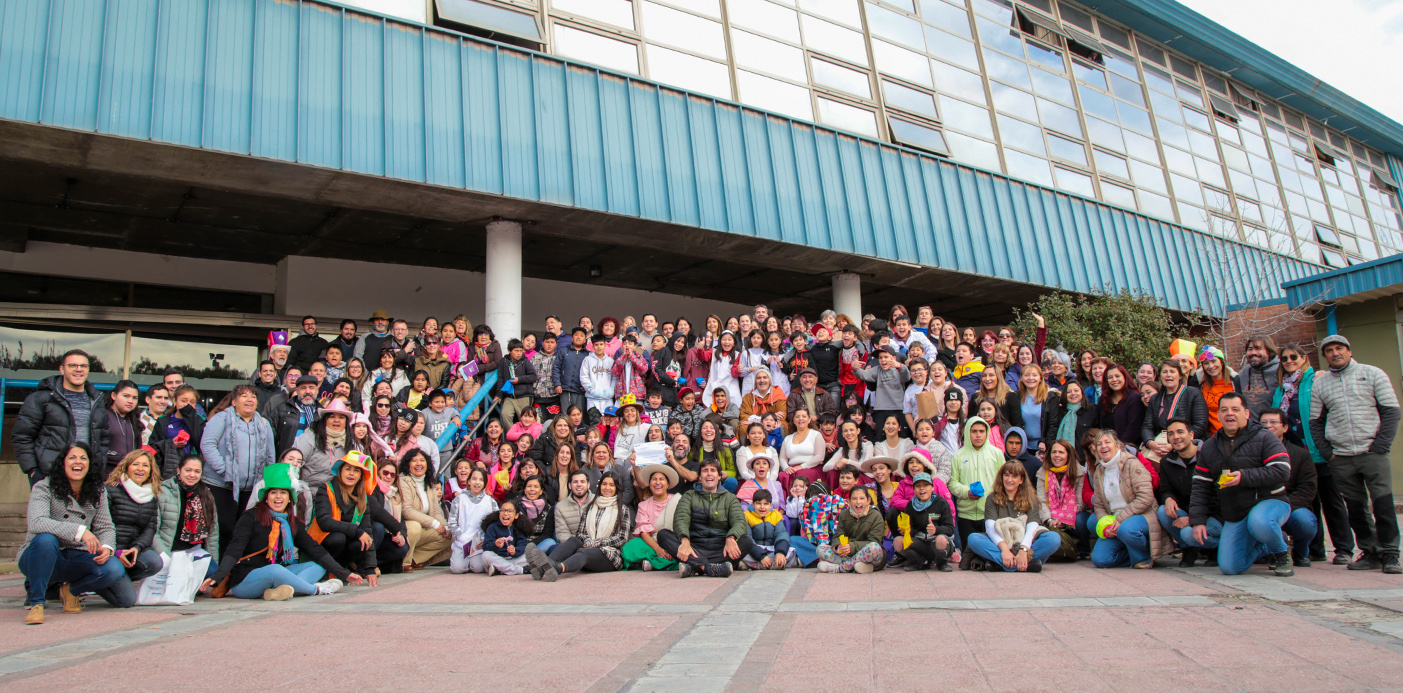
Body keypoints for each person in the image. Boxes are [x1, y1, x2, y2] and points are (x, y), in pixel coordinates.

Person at [1309, 335, 1402, 573]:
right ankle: (1369, 551)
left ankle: (1390, 553)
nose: (1335, 353)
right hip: (1341, 456)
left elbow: (1391, 411)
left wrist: (1381, 445)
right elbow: (1316, 422)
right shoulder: (1320, 384)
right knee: (1356, 508)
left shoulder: (1373, 374)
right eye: (1329, 350)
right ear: (1325, 355)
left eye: (1339, 348)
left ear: (1349, 351)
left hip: (1372, 451)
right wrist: (1329, 453)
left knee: (1382, 504)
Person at [201, 463, 361, 600]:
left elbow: (316, 550)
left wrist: (343, 573)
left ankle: (280, 592)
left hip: (277, 575)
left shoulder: (291, 521)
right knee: (275, 570)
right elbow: (233, 551)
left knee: (317, 566)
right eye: (273, 492)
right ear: (266, 497)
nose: (278, 497)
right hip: (245, 580)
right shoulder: (250, 517)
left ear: (290, 498)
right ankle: (315, 589)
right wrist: (218, 576)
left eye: (283, 492)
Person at [18, 443, 129, 624]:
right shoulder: (44, 487)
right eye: (72, 457)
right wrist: (80, 531)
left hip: (77, 555)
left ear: (89, 464)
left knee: (114, 568)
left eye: (83, 458)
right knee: (46, 539)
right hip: (40, 556)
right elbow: (37, 522)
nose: (78, 462)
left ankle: (71, 591)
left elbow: (105, 526)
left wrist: (107, 548)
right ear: (62, 463)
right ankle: (37, 602)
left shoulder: (97, 491)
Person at [1188, 393, 1294, 576]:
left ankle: (1280, 551)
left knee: (1260, 521)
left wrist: (1244, 477)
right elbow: (1200, 486)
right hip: (1236, 511)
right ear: (1218, 416)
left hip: (1270, 502)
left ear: (1246, 413)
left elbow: (1282, 470)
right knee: (1230, 567)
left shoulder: (1265, 437)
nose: (1230, 414)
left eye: (1235, 409)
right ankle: (1265, 546)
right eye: (1224, 410)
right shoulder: (1210, 446)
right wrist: (1198, 521)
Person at [1273, 345, 1354, 565]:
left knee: (1332, 501)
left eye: (1293, 357)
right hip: (1294, 454)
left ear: (1303, 358)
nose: (1289, 360)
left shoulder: (1316, 380)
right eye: (1284, 358)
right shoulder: (1281, 388)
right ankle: (1315, 549)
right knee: (1309, 502)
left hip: (1318, 451)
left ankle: (1344, 548)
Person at [13, 350, 111, 486]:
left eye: (83, 366)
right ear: (62, 369)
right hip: (50, 475)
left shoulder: (97, 400)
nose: (79, 369)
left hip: (87, 476)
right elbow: (22, 436)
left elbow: (104, 438)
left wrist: (99, 466)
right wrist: (33, 471)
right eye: (73, 365)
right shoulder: (41, 398)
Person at [200, 384, 276, 553]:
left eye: (253, 396)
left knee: (245, 530)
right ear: (234, 401)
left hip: (251, 488)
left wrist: (267, 481)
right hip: (221, 485)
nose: (250, 399)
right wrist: (224, 470)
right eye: (244, 396)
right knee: (224, 529)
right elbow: (207, 445)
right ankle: (219, 571)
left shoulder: (263, 423)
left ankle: (238, 568)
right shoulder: (221, 418)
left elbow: (270, 455)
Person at [527, 472, 633, 581]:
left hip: (610, 555)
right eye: (604, 484)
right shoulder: (591, 506)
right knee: (573, 540)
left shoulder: (622, 509)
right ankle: (545, 566)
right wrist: (587, 540)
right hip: (589, 548)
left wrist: (596, 542)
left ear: (617, 488)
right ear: (599, 486)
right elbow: (580, 533)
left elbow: (621, 538)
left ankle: (558, 568)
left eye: (611, 485)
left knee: (583, 552)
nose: (607, 488)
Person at [657, 459, 751, 578]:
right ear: (700, 477)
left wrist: (731, 538)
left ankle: (694, 567)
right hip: (693, 548)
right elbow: (681, 519)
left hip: (721, 549)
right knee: (663, 535)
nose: (709, 474)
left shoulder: (730, 498)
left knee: (746, 541)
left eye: (713, 470)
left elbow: (739, 522)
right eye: (705, 471)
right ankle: (709, 568)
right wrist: (685, 541)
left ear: (719, 476)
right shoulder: (689, 495)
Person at [1088, 430, 1163, 569]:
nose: (1103, 446)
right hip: (1115, 518)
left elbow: (1146, 497)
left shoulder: (1132, 464)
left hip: (1142, 515)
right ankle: (1130, 553)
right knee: (1100, 560)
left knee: (1126, 529)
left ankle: (1143, 558)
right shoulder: (1099, 470)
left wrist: (1120, 519)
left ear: (1118, 445)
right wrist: (1106, 525)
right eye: (1099, 444)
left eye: (1107, 442)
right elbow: (1098, 504)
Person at [966, 462, 1061, 572]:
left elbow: (1032, 528)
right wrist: (1005, 550)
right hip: (1001, 542)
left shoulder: (1031, 499)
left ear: (1021, 480)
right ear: (1001, 477)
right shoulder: (992, 498)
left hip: (1024, 542)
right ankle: (1028, 565)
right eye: (1006, 475)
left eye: (1014, 476)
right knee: (973, 539)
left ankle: (1002, 565)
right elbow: (990, 528)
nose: (1009, 480)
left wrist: (1023, 550)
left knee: (1053, 538)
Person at [103, 449, 163, 606]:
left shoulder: (152, 495)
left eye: (145, 465)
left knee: (154, 562)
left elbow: (150, 528)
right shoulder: (111, 490)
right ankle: (99, 581)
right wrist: (116, 551)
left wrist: (137, 548)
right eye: (135, 464)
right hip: (111, 551)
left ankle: (118, 578)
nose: (140, 469)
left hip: (131, 551)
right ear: (126, 467)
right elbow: (101, 526)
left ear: (151, 470)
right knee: (127, 601)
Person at [1261, 408, 1319, 568]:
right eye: (1263, 423)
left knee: (1305, 522)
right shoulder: (1252, 453)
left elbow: (1307, 489)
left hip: (1292, 507)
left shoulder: (1301, 455)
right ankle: (1271, 552)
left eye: (1273, 422)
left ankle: (1301, 553)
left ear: (1285, 427)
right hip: (1262, 508)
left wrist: (1283, 508)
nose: (1268, 426)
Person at [308, 451, 379, 579]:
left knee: (360, 543)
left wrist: (370, 568)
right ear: (340, 471)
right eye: (348, 469)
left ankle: (340, 572)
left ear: (360, 476)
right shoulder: (325, 489)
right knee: (338, 538)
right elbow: (325, 522)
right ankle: (324, 572)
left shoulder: (363, 498)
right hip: (321, 544)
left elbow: (367, 532)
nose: (351, 473)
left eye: (356, 470)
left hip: (342, 547)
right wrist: (357, 531)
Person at [153, 453, 221, 568]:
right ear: (178, 470)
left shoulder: (206, 494)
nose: (192, 475)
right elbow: (153, 530)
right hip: (168, 549)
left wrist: (214, 560)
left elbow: (213, 532)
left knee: (212, 569)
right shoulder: (162, 492)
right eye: (188, 470)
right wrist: (165, 556)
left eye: (197, 471)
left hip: (193, 550)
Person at [949, 417, 1003, 558]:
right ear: (967, 432)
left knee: (989, 553)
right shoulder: (958, 455)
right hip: (966, 513)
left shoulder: (996, 454)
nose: (978, 435)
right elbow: (952, 483)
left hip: (991, 513)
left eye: (981, 431)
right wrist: (967, 492)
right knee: (969, 555)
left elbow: (1003, 481)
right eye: (974, 431)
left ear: (987, 432)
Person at [1156, 419, 1203, 566]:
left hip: (1210, 514)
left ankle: (1212, 549)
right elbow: (1164, 488)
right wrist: (1168, 498)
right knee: (1163, 511)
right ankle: (1188, 548)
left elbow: (1217, 496)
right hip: (1183, 510)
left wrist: (1194, 519)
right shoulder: (1167, 461)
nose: (1176, 437)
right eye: (1171, 434)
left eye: (1180, 432)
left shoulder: (1208, 456)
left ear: (1191, 434)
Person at [398, 449, 453, 570]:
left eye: (422, 460)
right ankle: (404, 562)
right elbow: (407, 510)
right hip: (405, 528)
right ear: (407, 464)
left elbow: (436, 512)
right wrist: (434, 524)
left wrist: (446, 527)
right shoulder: (403, 480)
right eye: (414, 461)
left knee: (452, 536)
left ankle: (415, 559)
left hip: (424, 528)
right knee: (415, 526)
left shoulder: (429, 482)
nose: (419, 464)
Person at [1142, 359, 1209, 458]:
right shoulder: (1155, 399)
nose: (1168, 375)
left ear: (1180, 376)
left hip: (1188, 447)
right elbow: (1147, 426)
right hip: (1160, 445)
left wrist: (1174, 444)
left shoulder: (1193, 393)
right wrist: (1150, 443)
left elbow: (1200, 425)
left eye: (1172, 371)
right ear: (1160, 377)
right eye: (1165, 372)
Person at [621, 465, 682, 571]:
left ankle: (652, 564)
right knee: (631, 546)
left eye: (661, 479)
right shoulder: (643, 505)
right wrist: (658, 549)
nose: (657, 482)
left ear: (668, 484)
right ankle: (663, 562)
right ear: (649, 484)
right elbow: (643, 532)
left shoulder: (678, 501)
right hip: (652, 543)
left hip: (672, 541)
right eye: (654, 479)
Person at [891, 472, 956, 571]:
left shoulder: (942, 503)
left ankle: (941, 562)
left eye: (926, 485)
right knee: (898, 541)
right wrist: (908, 531)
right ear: (914, 489)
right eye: (918, 486)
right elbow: (912, 529)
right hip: (921, 543)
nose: (922, 488)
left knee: (941, 539)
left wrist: (936, 530)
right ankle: (920, 562)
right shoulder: (910, 505)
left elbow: (950, 529)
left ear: (932, 488)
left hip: (938, 542)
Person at [815, 485, 886, 573]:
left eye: (862, 498)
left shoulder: (876, 515)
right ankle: (856, 566)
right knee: (820, 549)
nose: (858, 502)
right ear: (849, 501)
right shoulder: (844, 514)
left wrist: (852, 547)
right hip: (848, 554)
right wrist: (838, 547)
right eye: (854, 498)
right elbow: (838, 536)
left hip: (868, 555)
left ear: (868, 501)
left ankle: (839, 568)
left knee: (874, 547)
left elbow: (874, 541)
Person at [1036, 439, 1086, 562]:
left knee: (1081, 520)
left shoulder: (1079, 472)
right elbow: (1041, 501)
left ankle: (1083, 549)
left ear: (1068, 455)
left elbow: (1081, 502)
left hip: (1073, 516)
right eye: (1054, 452)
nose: (1057, 455)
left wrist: (1062, 518)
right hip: (1051, 517)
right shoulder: (1043, 473)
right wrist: (1049, 519)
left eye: (1061, 452)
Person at [447, 468, 497, 574]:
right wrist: (462, 537)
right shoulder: (459, 499)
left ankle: (474, 562)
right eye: (474, 479)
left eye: (481, 480)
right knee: (457, 569)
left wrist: (487, 539)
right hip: (462, 541)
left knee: (478, 568)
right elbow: (452, 522)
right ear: (469, 481)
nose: (477, 483)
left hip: (480, 543)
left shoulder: (490, 501)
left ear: (485, 483)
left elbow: (496, 523)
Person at [292, 399, 353, 486]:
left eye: (341, 417)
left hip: (334, 492)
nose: (336, 420)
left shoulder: (351, 443)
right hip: (306, 489)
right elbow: (291, 466)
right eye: (332, 416)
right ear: (325, 420)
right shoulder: (309, 438)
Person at [101, 380, 143, 478]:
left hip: (129, 475)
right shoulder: (102, 416)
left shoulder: (134, 420)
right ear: (114, 396)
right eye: (126, 396)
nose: (130, 401)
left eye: (134, 398)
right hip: (106, 473)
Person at [743, 490, 791, 570]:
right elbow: (747, 538)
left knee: (790, 551)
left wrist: (780, 552)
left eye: (766, 504)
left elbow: (781, 534)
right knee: (740, 553)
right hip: (754, 550)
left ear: (771, 505)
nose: (762, 507)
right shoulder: (746, 516)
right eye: (758, 503)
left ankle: (756, 565)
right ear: (753, 504)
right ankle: (771, 564)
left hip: (771, 549)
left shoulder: (776, 515)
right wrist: (761, 556)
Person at [1237, 336, 1280, 418]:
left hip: (1275, 427)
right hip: (1252, 428)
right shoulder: (1244, 373)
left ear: (1269, 351)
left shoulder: (1280, 371)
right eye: (1250, 349)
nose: (1253, 352)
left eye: (1258, 348)